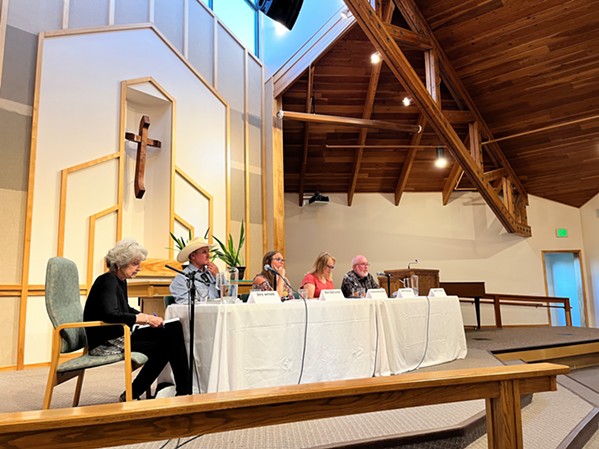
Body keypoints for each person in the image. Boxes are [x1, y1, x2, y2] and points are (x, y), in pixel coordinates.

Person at [83, 238, 190, 400]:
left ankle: (176, 390)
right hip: (106, 342)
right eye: (135, 264)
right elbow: (110, 314)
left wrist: (148, 317)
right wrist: (145, 318)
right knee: (169, 340)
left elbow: (124, 309)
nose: (138, 268)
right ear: (121, 262)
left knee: (172, 330)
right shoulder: (107, 281)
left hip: (120, 336)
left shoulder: (120, 281)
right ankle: (183, 391)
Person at [170, 237, 220, 303]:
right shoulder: (182, 278)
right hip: (200, 313)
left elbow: (230, 297)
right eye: (204, 252)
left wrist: (218, 277)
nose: (208, 255)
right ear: (193, 256)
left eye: (208, 251)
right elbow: (185, 305)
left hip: (218, 312)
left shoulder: (212, 274)